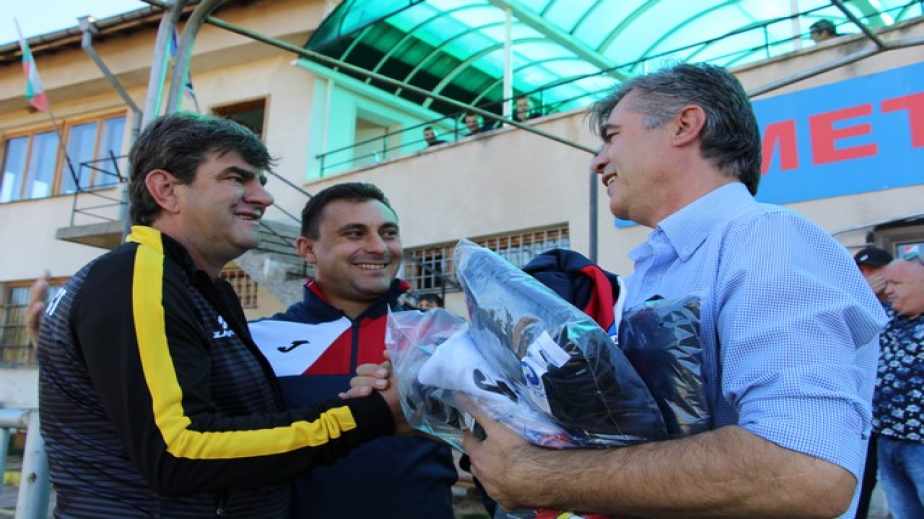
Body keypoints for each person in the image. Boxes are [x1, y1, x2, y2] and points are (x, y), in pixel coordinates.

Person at [349, 62, 887, 517]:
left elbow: (805, 471)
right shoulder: (660, 267)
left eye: (612, 136)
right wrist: (436, 394)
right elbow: (630, 437)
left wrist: (544, 477)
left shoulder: (768, 241)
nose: (598, 160)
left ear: (684, 125)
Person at [34, 113, 405, 517]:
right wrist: (370, 413)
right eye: (237, 178)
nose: (264, 198)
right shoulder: (138, 275)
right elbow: (180, 452)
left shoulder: (193, 285)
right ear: (166, 190)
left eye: (260, 181)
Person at [249, 182, 458, 518]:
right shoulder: (257, 340)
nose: (378, 247)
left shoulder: (441, 334)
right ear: (307, 249)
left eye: (389, 233)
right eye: (354, 233)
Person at [872, 254, 924, 519]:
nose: (888, 290)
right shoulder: (887, 317)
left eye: (897, 283)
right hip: (887, 439)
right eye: (887, 283)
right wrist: (867, 291)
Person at [853, 246, 893, 518]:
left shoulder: (902, 306)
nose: (868, 278)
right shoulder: (858, 302)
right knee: (861, 484)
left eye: (874, 271)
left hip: (900, 425)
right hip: (866, 417)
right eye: (862, 272)